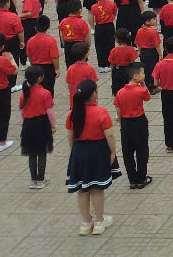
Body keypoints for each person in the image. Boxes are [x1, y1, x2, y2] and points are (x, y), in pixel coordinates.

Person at [64, 79, 118, 236]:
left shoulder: (72, 114)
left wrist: (75, 152)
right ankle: (99, 222)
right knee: (97, 188)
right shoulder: (101, 112)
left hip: (79, 151)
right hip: (97, 151)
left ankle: (86, 223)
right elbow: (110, 135)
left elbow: (70, 135)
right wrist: (112, 152)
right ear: (94, 94)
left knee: (82, 189)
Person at [114, 67, 153, 189]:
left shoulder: (120, 92)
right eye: (142, 73)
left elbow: (118, 110)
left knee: (127, 152)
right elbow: (148, 97)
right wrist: (143, 84)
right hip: (139, 122)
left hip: (126, 123)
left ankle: (132, 179)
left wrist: (121, 125)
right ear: (135, 76)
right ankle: (141, 178)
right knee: (142, 150)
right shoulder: (140, 90)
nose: (144, 75)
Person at [19, 65, 55, 189]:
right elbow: (50, 112)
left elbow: (22, 111)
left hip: (28, 125)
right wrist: (53, 126)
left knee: (32, 153)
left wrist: (25, 122)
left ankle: (33, 180)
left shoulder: (24, 94)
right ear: (40, 78)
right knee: (42, 152)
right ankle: (41, 179)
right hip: (42, 124)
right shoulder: (45, 93)